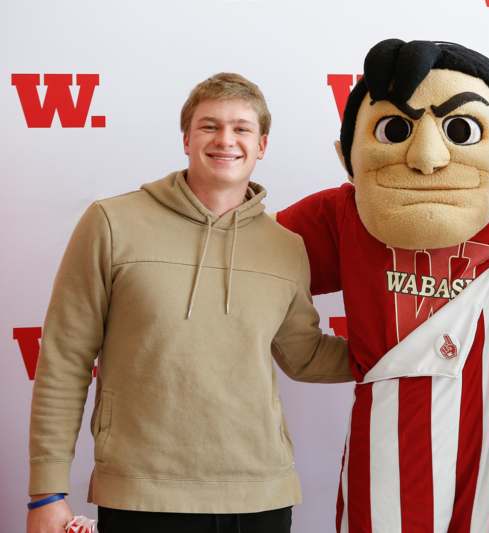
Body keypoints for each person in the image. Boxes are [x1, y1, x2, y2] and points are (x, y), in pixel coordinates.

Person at [27, 72, 352, 533]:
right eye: (209, 126)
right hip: (142, 492)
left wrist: (393, 348)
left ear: (261, 146)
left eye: (241, 128)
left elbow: (304, 355)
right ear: (186, 138)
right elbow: (64, 359)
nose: (226, 140)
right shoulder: (112, 223)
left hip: (260, 493)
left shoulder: (286, 247)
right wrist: (47, 491)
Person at [277, 39, 489, 532]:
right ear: (349, 153)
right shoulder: (342, 215)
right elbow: (252, 263)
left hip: (487, 444)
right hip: (387, 443)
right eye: (395, 129)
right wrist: (319, 353)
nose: (428, 156)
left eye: (458, 129)